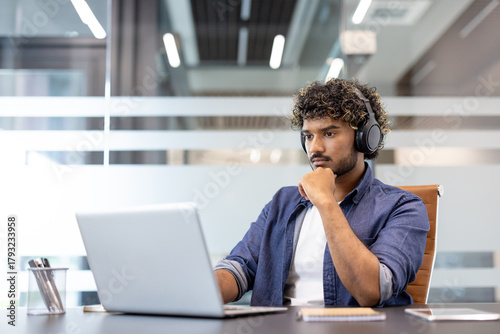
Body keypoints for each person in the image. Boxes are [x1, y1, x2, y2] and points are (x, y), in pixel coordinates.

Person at [214, 78, 429, 307]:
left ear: (365, 137)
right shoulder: (283, 202)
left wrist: (326, 201)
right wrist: (200, 291)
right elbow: (240, 267)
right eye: (308, 136)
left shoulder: (403, 207)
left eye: (329, 134)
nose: (314, 148)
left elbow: (372, 291)